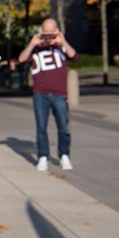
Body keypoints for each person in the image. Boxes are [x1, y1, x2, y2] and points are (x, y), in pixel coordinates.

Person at [18, 18, 77, 171]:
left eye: (52, 31)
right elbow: (21, 59)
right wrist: (32, 44)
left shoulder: (61, 47)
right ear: (41, 31)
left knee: (63, 127)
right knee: (41, 127)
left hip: (59, 94)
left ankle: (64, 155)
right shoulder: (37, 48)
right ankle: (43, 156)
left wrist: (62, 41)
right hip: (40, 93)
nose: (49, 35)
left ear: (57, 30)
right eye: (46, 31)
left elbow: (74, 56)